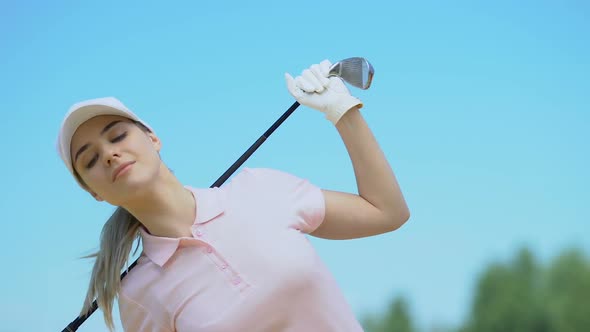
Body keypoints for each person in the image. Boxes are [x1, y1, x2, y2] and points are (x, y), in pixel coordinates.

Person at [56, 59, 410, 331]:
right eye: (89, 160)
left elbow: (387, 212)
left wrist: (341, 111)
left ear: (153, 139)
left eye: (117, 136)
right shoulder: (138, 295)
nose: (108, 154)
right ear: (94, 193)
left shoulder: (261, 189)